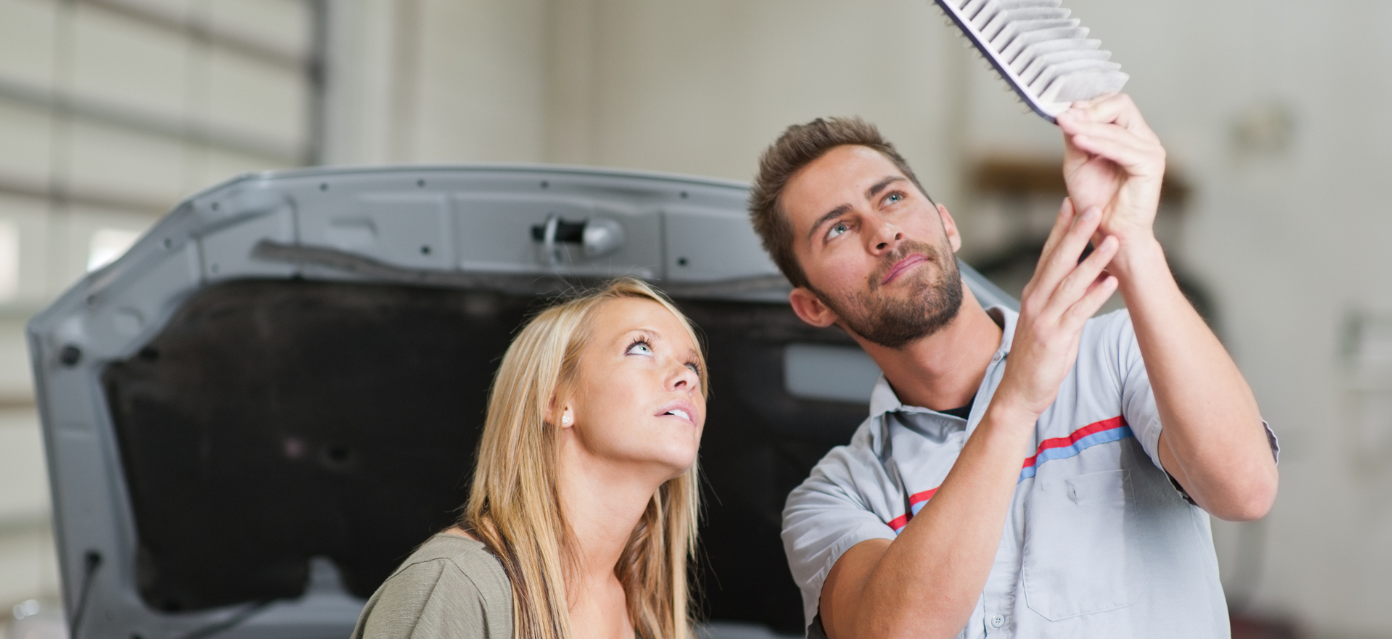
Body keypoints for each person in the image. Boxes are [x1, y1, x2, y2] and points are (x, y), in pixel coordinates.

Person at [749, 94, 1280, 638]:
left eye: (891, 197)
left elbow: (1245, 490)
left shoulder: (1116, 352)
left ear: (945, 225)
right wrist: (1015, 400)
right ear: (812, 306)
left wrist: (1135, 244)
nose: (881, 232)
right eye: (837, 229)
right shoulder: (839, 494)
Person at [352, 278, 707, 639]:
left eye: (694, 367)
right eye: (641, 347)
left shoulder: (659, 623)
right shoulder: (457, 585)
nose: (686, 379)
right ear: (554, 401)